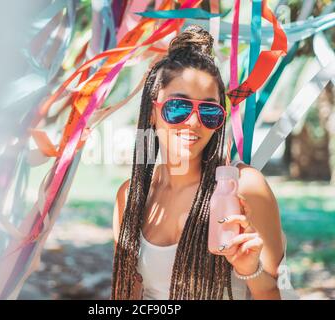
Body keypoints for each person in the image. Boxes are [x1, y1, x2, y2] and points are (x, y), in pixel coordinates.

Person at [111, 25, 298, 300]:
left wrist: (251, 270)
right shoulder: (130, 197)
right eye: (178, 107)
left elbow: (277, 295)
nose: (195, 122)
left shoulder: (243, 187)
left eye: (209, 111)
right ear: (153, 111)